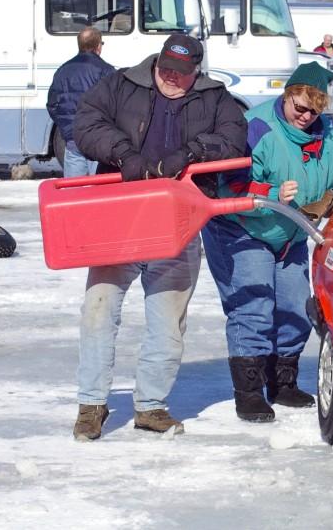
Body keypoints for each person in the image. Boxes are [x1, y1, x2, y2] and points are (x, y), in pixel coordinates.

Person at [69, 35, 248, 441]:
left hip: (177, 225)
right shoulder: (121, 84)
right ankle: (91, 405)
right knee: (98, 312)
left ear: (196, 72)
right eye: (166, 68)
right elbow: (86, 124)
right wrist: (123, 154)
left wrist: (192, 152)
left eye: (181, 73)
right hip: (118, 220)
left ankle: (151, 406)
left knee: (167, 324)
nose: (171, 77)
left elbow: (235, 139)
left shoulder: (215, 98)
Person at [202, 62, 333, 423]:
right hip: (242, 229)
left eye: (313, 111)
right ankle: (249, 392)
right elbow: (228, 184)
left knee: (293, 306)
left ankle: (282, 381)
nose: (304, 116)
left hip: (289, 232)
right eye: (298, 107)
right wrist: (272, 192)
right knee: (254, 306)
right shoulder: (256, 128)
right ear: (287, 95)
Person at [46, 27, 114, 177]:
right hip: (97, 139)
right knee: (100, 191)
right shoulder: (106, 70)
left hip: (73, 140)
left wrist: (66, 128)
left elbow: (52, 104)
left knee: (74, 192)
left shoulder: (63, 70)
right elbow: (115, 105)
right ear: (98, 46)